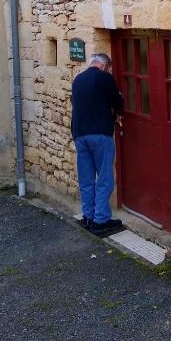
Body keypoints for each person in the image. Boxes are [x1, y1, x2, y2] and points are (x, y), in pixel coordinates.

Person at [71, 53, 124, 237]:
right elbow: (117, 102)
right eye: (108, 68)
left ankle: (88, 216)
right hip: (100, 134)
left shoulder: (77, 79)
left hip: (79, 135)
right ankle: (101, 220)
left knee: (86, 178)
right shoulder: (104, 77)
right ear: (104, 66)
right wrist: (119, 100)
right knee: (104, 177)